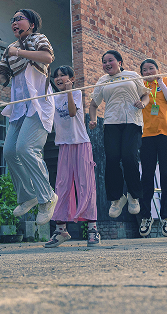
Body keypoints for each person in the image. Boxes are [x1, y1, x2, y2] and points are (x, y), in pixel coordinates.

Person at [0, 9, 57, 225]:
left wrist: (18, 53)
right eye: (13, 19)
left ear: (32, 24)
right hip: (19, 105)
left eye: (19, 18)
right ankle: (28, 195)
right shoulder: (11, 48)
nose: (15, 22)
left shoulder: (38, 39)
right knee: (10, 151)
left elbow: (47, 57)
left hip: (39, 103)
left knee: (26, 148)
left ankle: (47, 197)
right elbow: (5, 71)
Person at [88, 50, 149, 218]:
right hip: (111, 123)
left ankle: (133, 195)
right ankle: (117, 198)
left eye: (110, 60)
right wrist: (93, 120)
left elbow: (145, 95)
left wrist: (142, 104)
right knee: (113, 159)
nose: (107, 64)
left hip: (132, 122)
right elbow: (93, 105)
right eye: (104, 61)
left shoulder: (132, 75)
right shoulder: (102, 81)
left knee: (129, 157)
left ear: (120, 62)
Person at [45, 66, 99, 248]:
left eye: (63, 75)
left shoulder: (75, 93)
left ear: (72, 78)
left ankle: (92, 229)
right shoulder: (51, 96)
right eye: (57, 76)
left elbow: (72, 112)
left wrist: (68, 92)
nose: (59, 78)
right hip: (64, 144)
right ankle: (61, 230)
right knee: (62, 185)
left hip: (81, 143)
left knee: (86, 184)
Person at [137, 59, 167, 238]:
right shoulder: (140, 85)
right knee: (146, 176)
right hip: (146, 135)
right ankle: (146, 217)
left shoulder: (166, 82)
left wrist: (161, 81)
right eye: (144, 70)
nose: (148, 71)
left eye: (151, 68)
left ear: (157, 69)